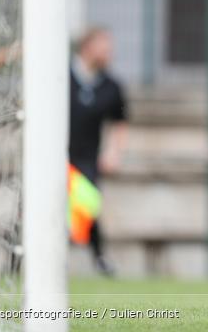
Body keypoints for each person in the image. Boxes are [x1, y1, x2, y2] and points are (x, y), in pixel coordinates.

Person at [69, 26, 129, 276]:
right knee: (33, 208)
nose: (109, 52)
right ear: (88, 46)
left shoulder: (111, 86)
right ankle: (16, 261)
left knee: (86, 206)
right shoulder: (60, 75)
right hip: (53, 157)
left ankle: (98, 256)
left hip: (87, 158)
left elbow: (119, 122)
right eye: (104, 45)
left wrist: (113, 152)